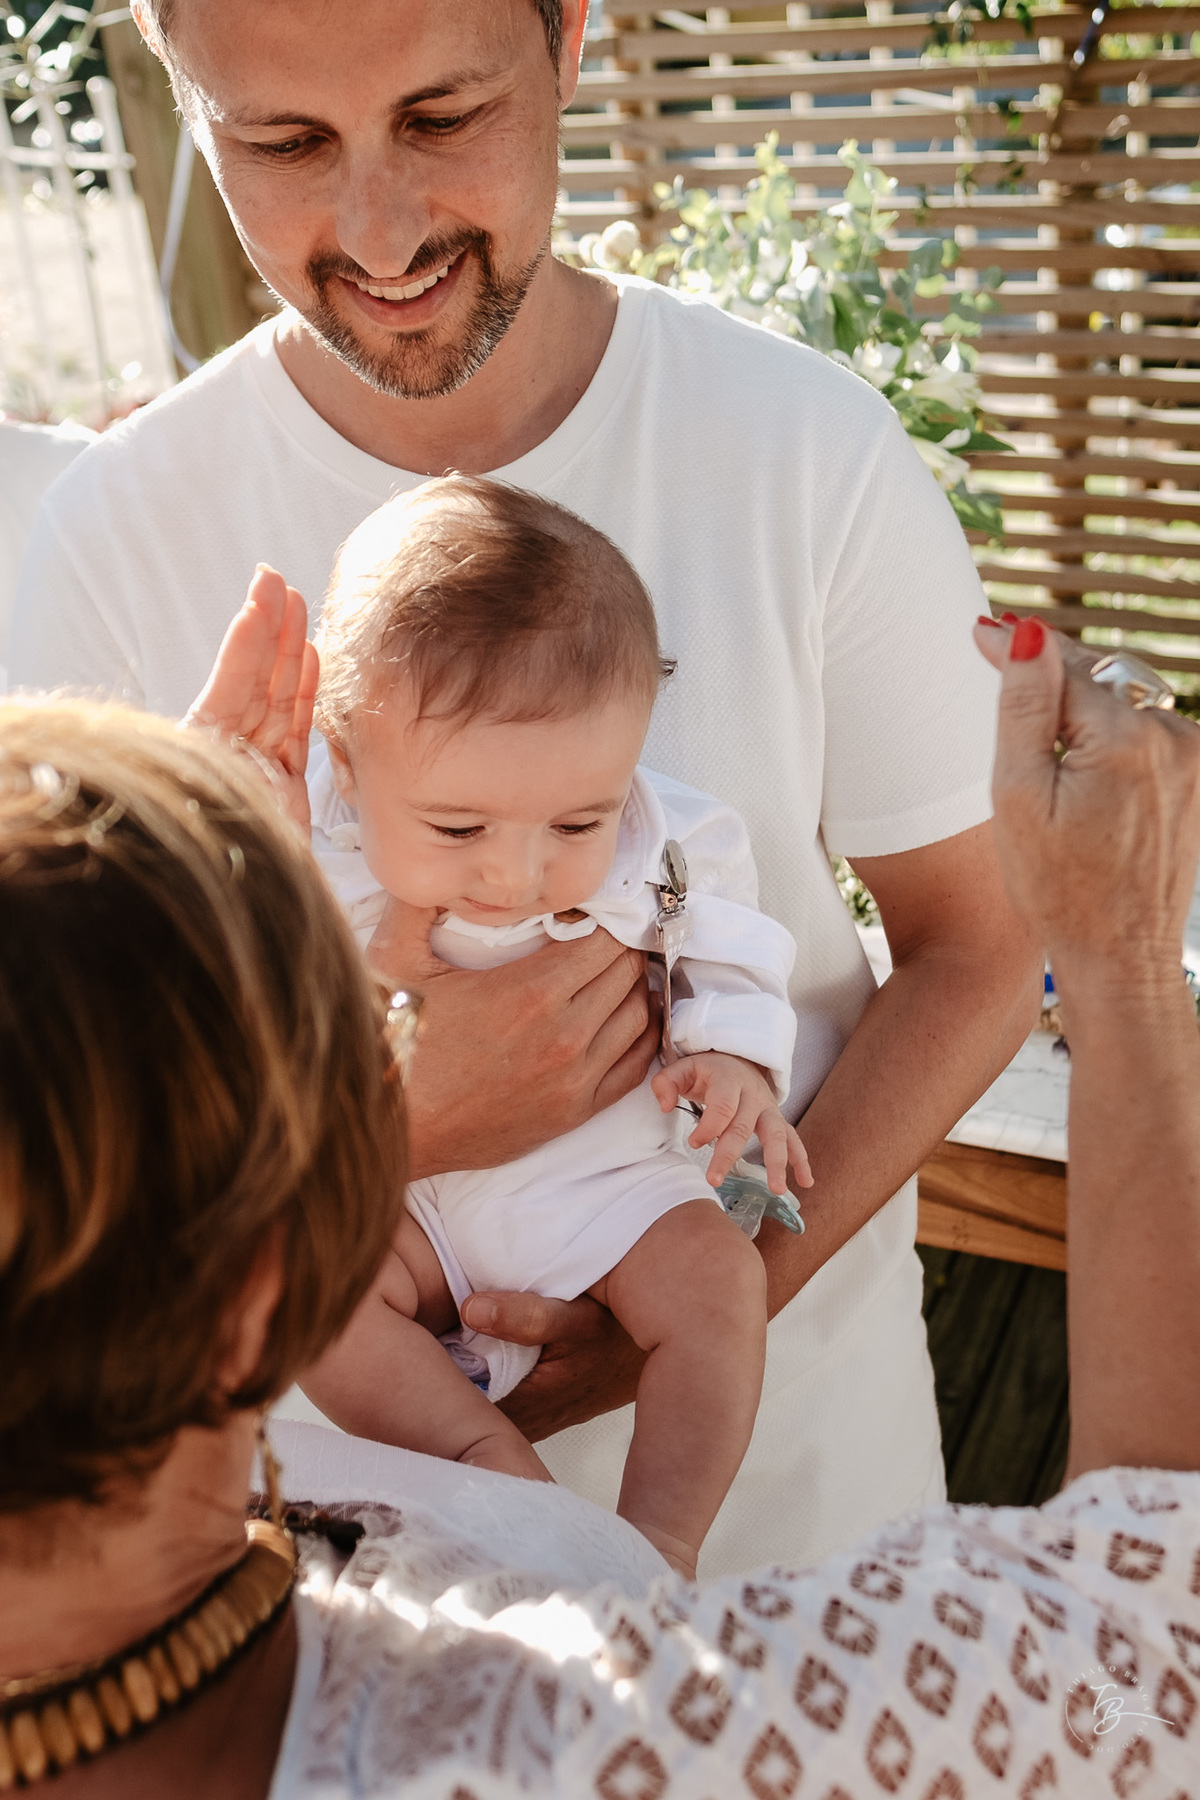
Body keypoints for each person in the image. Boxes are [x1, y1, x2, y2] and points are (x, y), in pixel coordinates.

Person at [8, 0, 1044, 1573]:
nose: (378, 231)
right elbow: (56, 1132)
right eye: (281, 142)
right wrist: (382, 1128)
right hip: (347, 1602)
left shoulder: (804, 455)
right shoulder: (110, 545)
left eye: (441, 118)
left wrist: (711, 1299)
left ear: (570, 41)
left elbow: (977, 945)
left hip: (798, 1549)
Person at [1, 616, 1198, 1797]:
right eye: (384, 1053)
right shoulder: (582, 1738)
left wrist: (140, 955)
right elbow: (1146, 1662)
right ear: (267, 1283)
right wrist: (1125, 955)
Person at [200, 475, 811, 1579]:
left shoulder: (664, 844)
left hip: (604, 1188)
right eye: (458, 824)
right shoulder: (309, 856)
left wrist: (731, 1055)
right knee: (311, 1292)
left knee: (722, 1284)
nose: (516, 871)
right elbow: (239, 1022)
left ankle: (658, 1547)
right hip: (412, 1211)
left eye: (575, 819)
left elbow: (731, 946)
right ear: (347, 752)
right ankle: (501, 1481)